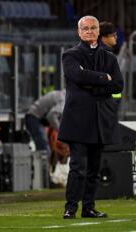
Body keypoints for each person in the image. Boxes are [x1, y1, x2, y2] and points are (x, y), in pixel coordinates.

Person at [59, 15, 123, 219]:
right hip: (78, 120)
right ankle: (70, 208)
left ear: (98, 31)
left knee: (94, 169)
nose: (89, 31)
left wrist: (91, 83)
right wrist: (103, 78)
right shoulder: (70, 55)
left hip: (100, 120)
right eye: (85, 28)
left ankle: (89, 207)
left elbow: (118, 86)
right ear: (79, 32)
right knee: (77, 167)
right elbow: (77, 76)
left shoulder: (110, 57)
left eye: (93, 28)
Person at [24, 89, 66, 154]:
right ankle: (43, 163)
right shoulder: (63, 100)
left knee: (46, 148)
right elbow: (51, 116)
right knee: (44, 150)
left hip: (37, 118)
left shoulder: (62, 95)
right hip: (34, 118)